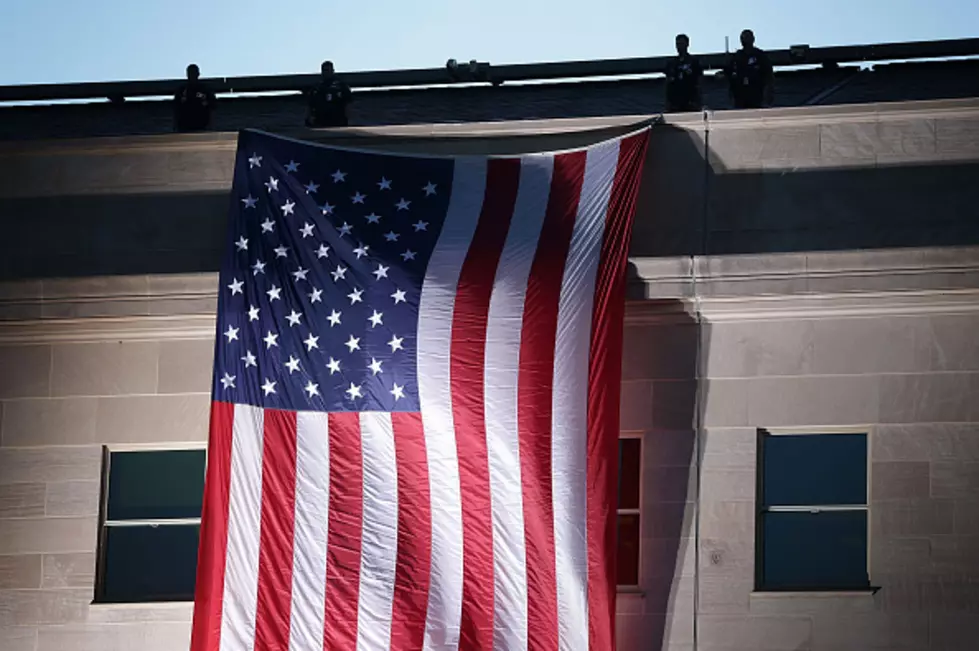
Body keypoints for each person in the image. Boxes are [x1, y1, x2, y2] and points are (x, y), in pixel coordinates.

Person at [728, 29, 774, 109]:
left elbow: (768, 75)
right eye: (743, 38)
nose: (745, 40)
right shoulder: (737, 56)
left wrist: (767, 94)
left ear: (753, 39)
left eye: (747, 37)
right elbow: (729, 72)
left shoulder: (760, 55)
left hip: (756, 93)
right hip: (740, 94)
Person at [305, 61, 353, 128]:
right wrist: (308, 120)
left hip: (339, 122)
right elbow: (309, 105)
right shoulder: (316, 88)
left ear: (333, 71)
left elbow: (348, 104)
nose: (326, 72)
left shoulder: (341, 86)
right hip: (320, 123)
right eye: (324, 70)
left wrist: (348, 121)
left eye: (328, 70)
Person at [664, 34, 703, 113]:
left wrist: (698, 101)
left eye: (681, 44)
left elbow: (699, 80)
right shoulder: (672, 63)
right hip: (675, 103)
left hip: (690, 101)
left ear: (687, 44)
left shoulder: (694, 61)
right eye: (677, 44)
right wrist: (668, 102)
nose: (679, 47)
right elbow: (668, 83)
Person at [173, 64, 216, 132]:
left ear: (198, 74)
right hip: (185, 126)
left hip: (202, 125)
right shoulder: (182, 90)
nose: (192, 76)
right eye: (191, 73)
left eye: (194, 73)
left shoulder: (205, 90)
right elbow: (176, 108)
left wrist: (210, 127)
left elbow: (212, 107)